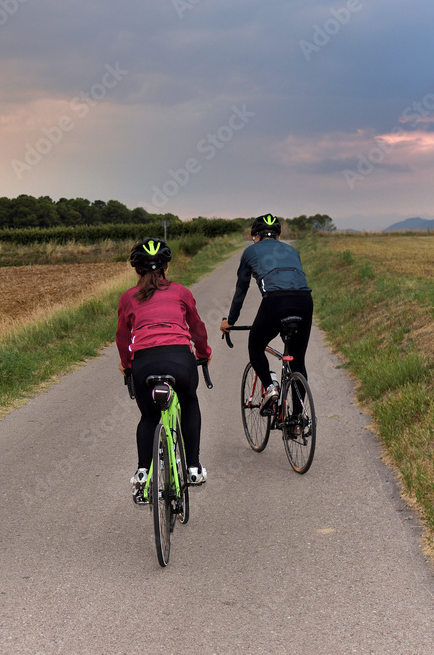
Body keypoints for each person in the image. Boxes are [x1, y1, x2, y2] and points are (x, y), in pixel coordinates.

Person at [117, 237, 212, 505]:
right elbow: (197, 328)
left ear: (137, 270)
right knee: (190, 401)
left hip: (144, 362)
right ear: (166, 268)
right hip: (180, 360)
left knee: (149, 417)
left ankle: (143, 474)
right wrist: (204, 354)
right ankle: (193, 469)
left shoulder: (128, 297)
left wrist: (126, 364)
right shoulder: (181, 292)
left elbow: (123, 338)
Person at [219, 214, 313, 411]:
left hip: (275, 301)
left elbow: (241, 291)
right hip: (304, 300)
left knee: (255, 346)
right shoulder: (292, 250)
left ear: (255, 236)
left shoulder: (250, 252)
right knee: (297, 359)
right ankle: (297, 419)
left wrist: (231, 320)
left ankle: (270, 387)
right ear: (278, 237)